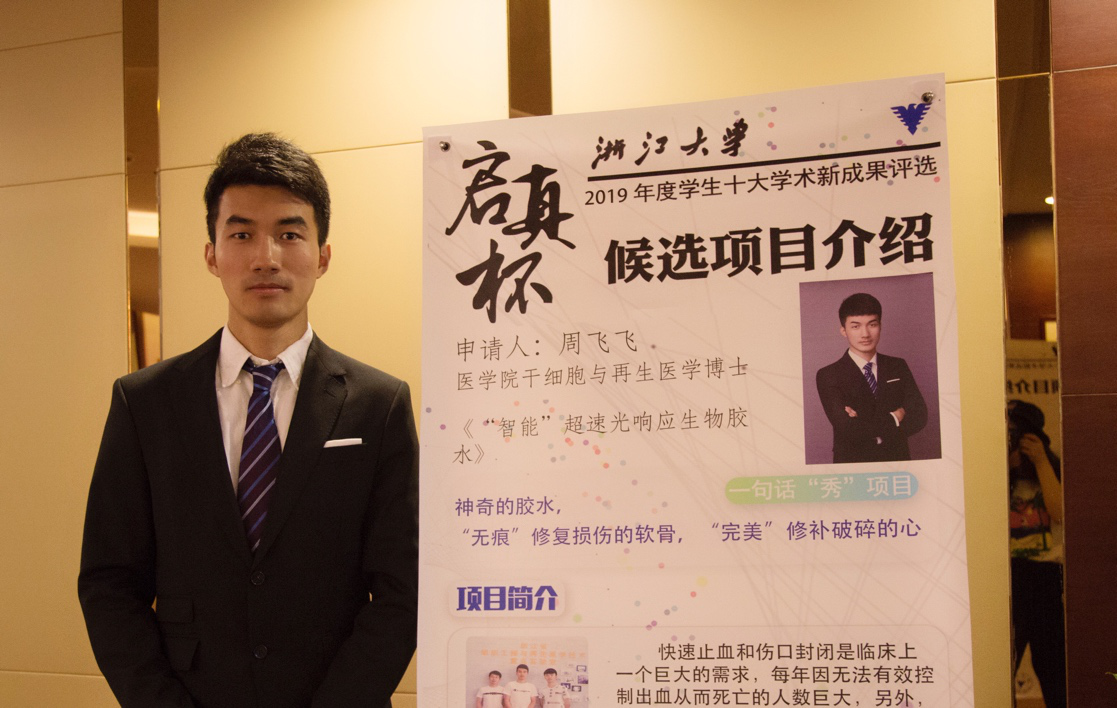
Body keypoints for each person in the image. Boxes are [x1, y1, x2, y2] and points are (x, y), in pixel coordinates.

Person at [77, 133, 418, 707]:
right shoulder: (146, 404)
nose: (266, 257)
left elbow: (401, 590)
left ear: (323, 255)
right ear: (211, 254)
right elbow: (109, 583)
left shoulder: (378, 404)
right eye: (241, 234)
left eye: (289, 233)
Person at [815, 292, 927, 463]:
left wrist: (863, 422)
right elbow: (848, 429)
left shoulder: (897, 366)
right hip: (853, 463)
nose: (865, 334)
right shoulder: (829, 375)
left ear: (880, 326)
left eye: (872, 324)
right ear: (843, 331)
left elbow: (919, 416)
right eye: (855, 326)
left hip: (898, 460)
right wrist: (896, 416)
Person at [1007, 399, 1065, 708]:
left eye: (1017, 434)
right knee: (1004, 664)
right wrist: (1004, 466)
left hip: (1045, 577)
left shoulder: (1051, 468)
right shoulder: (998, 472)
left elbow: (1060, 513)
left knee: (1052, 664)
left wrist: (1041, 462)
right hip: (1008, 576)